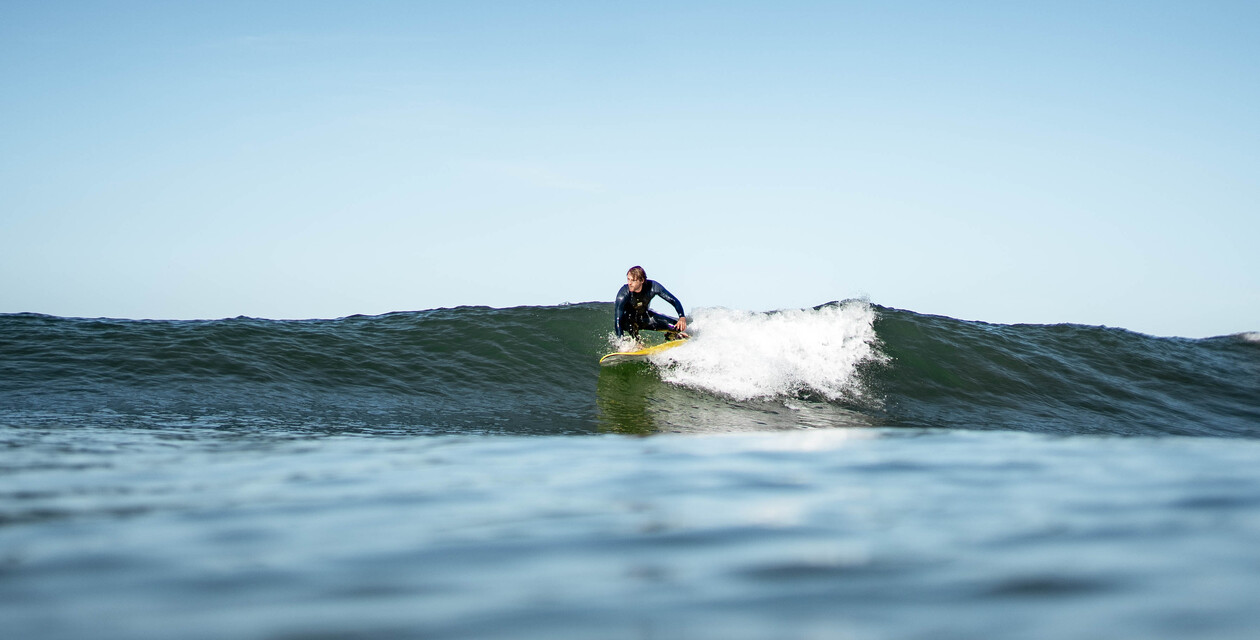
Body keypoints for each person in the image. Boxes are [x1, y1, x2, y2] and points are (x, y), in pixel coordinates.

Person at [614, 266, 688, 341]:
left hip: (644, 318)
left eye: (633, 280)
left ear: (642, 280)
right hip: (628, 321)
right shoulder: (623, 294)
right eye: (628, 279)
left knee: (678, 327)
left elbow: (673, 300)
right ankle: (636, 343)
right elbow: (618, 320)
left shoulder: (653, 287)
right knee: (629, 322)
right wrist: (621, 343)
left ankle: (671, 336)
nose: (629, 283)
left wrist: (681, 317)